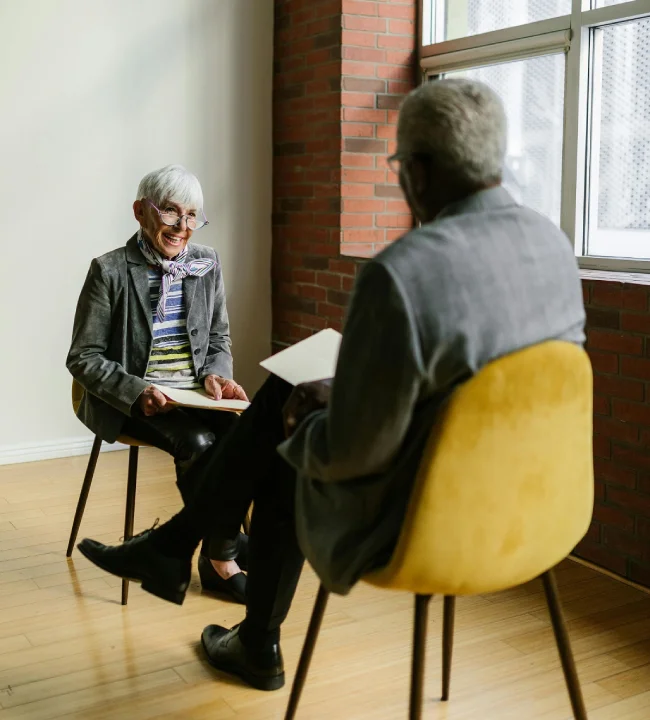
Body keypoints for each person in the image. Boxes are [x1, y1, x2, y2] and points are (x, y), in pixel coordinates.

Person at [78, 80, 586, 692]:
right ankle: (191, 559)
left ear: (418, 172)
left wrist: (303, 421)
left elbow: (350, 454)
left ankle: (244, 625)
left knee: (283, 447)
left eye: (399, 166)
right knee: (283, 405)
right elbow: (474, 396)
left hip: (424, 521)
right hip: (543, 511)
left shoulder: (403, 271)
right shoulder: (555, 247)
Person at [67, 164, 250, 603]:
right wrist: (137, 391)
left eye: (191, 216)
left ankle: (197, 553)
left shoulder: (206, 263)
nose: (182, 227)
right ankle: (223, 561)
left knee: (245, 438)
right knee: (202, 444)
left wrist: (217, 375)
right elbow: (83, 357)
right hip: (132, 399)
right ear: (141, 212)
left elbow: (219, 337)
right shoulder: (109, 270)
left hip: (195, 395)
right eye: (170, 212)